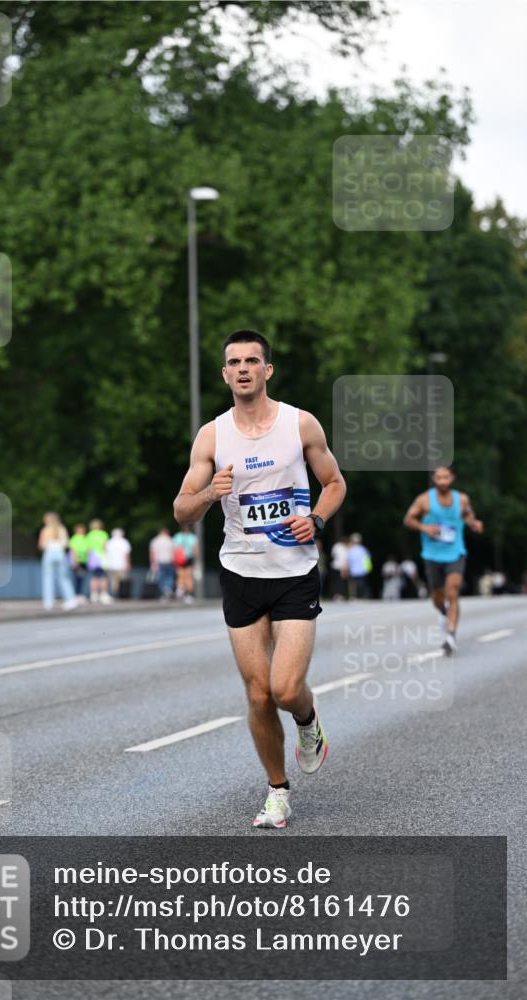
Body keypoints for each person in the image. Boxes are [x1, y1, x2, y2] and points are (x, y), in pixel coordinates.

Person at [173, 329, 346, 829]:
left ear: (267, 370)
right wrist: (209, 493)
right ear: (225, 373)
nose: (243, 368)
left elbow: (335, 483)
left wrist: (314, 520)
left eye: (253, 360)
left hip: (293, 571)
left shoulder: (300, 424)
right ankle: (277, 791)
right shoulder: (212, 436)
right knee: (256, 693)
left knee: (287, 689)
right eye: (234, 362)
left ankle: (309, 724)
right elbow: (182, 510)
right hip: (240, 572)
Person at [403, 465, 483, 654]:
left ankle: (451, 636)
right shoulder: (424, 500)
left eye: (446, 477)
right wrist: (424, 528)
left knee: (452, 592)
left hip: (456, 552)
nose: (443, 481)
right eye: (439, 478)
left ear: (452, 478)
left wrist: (473, 523)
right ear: (434, 479)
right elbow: (408, 519)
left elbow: (467, 514)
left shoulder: (462, 499)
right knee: (437, 597)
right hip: (432, 554)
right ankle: (443, 612)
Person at [38, 512, 78, 611]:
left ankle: (48, 602)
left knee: (48, 578)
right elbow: (66, 544)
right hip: (60, 554)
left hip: (49, 554)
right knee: (64, 578)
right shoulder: (62, 529)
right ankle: (70, 600)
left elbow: (42, 545)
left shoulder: (45, 530)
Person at [85, 519, 112, 603]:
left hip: (92, 557)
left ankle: (94, 595)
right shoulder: (103, 534)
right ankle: (103, 595)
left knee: (94, 577)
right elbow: (105, 546)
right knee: (103, 576)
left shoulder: (89, 535)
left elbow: (88, 548)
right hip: (101, 557)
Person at [172, 524, 198, 602]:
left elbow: (174, 549)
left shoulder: (177, 536)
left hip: (179, 558)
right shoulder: (192, 537)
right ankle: (188, 594)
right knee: (188, 576)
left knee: (180, 575)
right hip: (188, 558)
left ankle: (180, 590)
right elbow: (195, 550)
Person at [149, 527, 175, 599]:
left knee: (161, 577)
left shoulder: (155, 540)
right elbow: (173, 552)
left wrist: (152, 562)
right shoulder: (170, 540)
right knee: (169, 576)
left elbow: (152, 553)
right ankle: (168, 588)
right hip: (169, 560)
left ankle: (163, 591)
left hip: (159, 561)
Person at [106, 527, 132, 597]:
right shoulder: (124, 542)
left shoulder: (109, 542)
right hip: (121, 564)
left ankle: (113, 594)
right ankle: (121, 594)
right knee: (122, 580)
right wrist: (128, 563)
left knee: (112, 581)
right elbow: (126, 554)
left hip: (110, 564)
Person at [346, 533, 372, 599]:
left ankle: (354, 596)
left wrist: (347, 568)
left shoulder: (350, 550)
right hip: (362, 570)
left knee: (353, 585)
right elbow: (368, 559)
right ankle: (362, 596)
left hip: (353, 571)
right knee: (362, 585)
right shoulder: (364, 549)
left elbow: (347, 560)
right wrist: (368, 569)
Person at [68, 523, 88, 600]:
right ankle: (76, 594)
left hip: (84, 561)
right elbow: (72, 550)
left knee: (83, 578)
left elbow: (88, 550)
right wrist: (75, 560)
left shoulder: (85, 538)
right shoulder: (74, 538)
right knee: (76, 578)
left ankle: (81, 594)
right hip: (77, 561)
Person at [329, 535, 349, 600]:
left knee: (335, 581)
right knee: (340, 581)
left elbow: (333, 555)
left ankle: (335, 594)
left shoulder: (336, 546)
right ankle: (339, 594)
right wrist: (344, 569)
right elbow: (343, 559)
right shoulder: (343, 548)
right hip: (340, 566)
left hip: (334, 565)